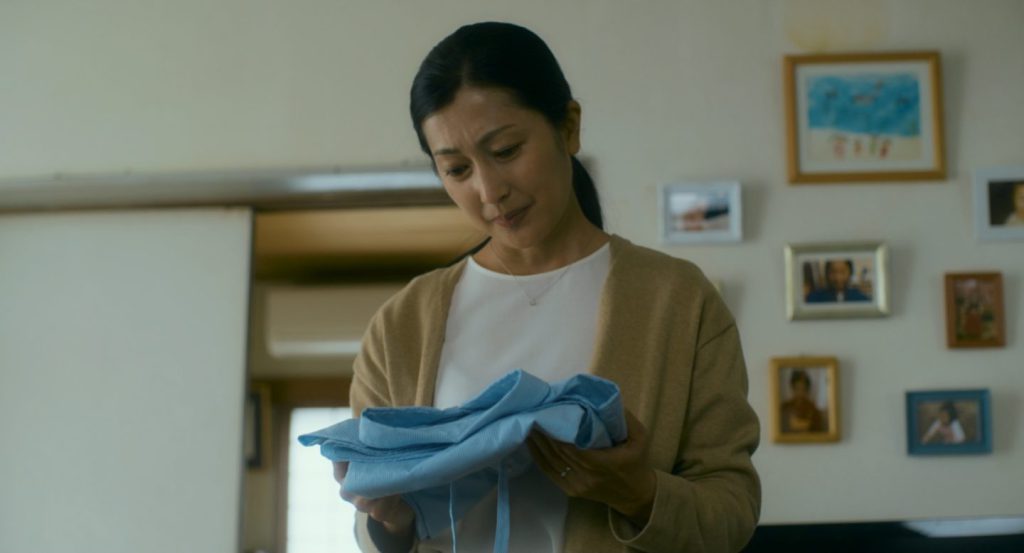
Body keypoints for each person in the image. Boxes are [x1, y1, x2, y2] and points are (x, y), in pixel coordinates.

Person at [333, 21, 760, 553]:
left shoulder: (677, 300)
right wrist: (389, 522)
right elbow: (370, 527)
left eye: (506, 150)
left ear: (569, 127)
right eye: (458, 169)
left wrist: (639, 494)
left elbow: (731, 511)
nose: (489, 190)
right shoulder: (403, 324)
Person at [805, 259, 871, 303]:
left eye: (842, 272)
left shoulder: (861, 299)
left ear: (850, 273)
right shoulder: (814, 299)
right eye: (833, 272)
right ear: (827, 274)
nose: (838, 278)